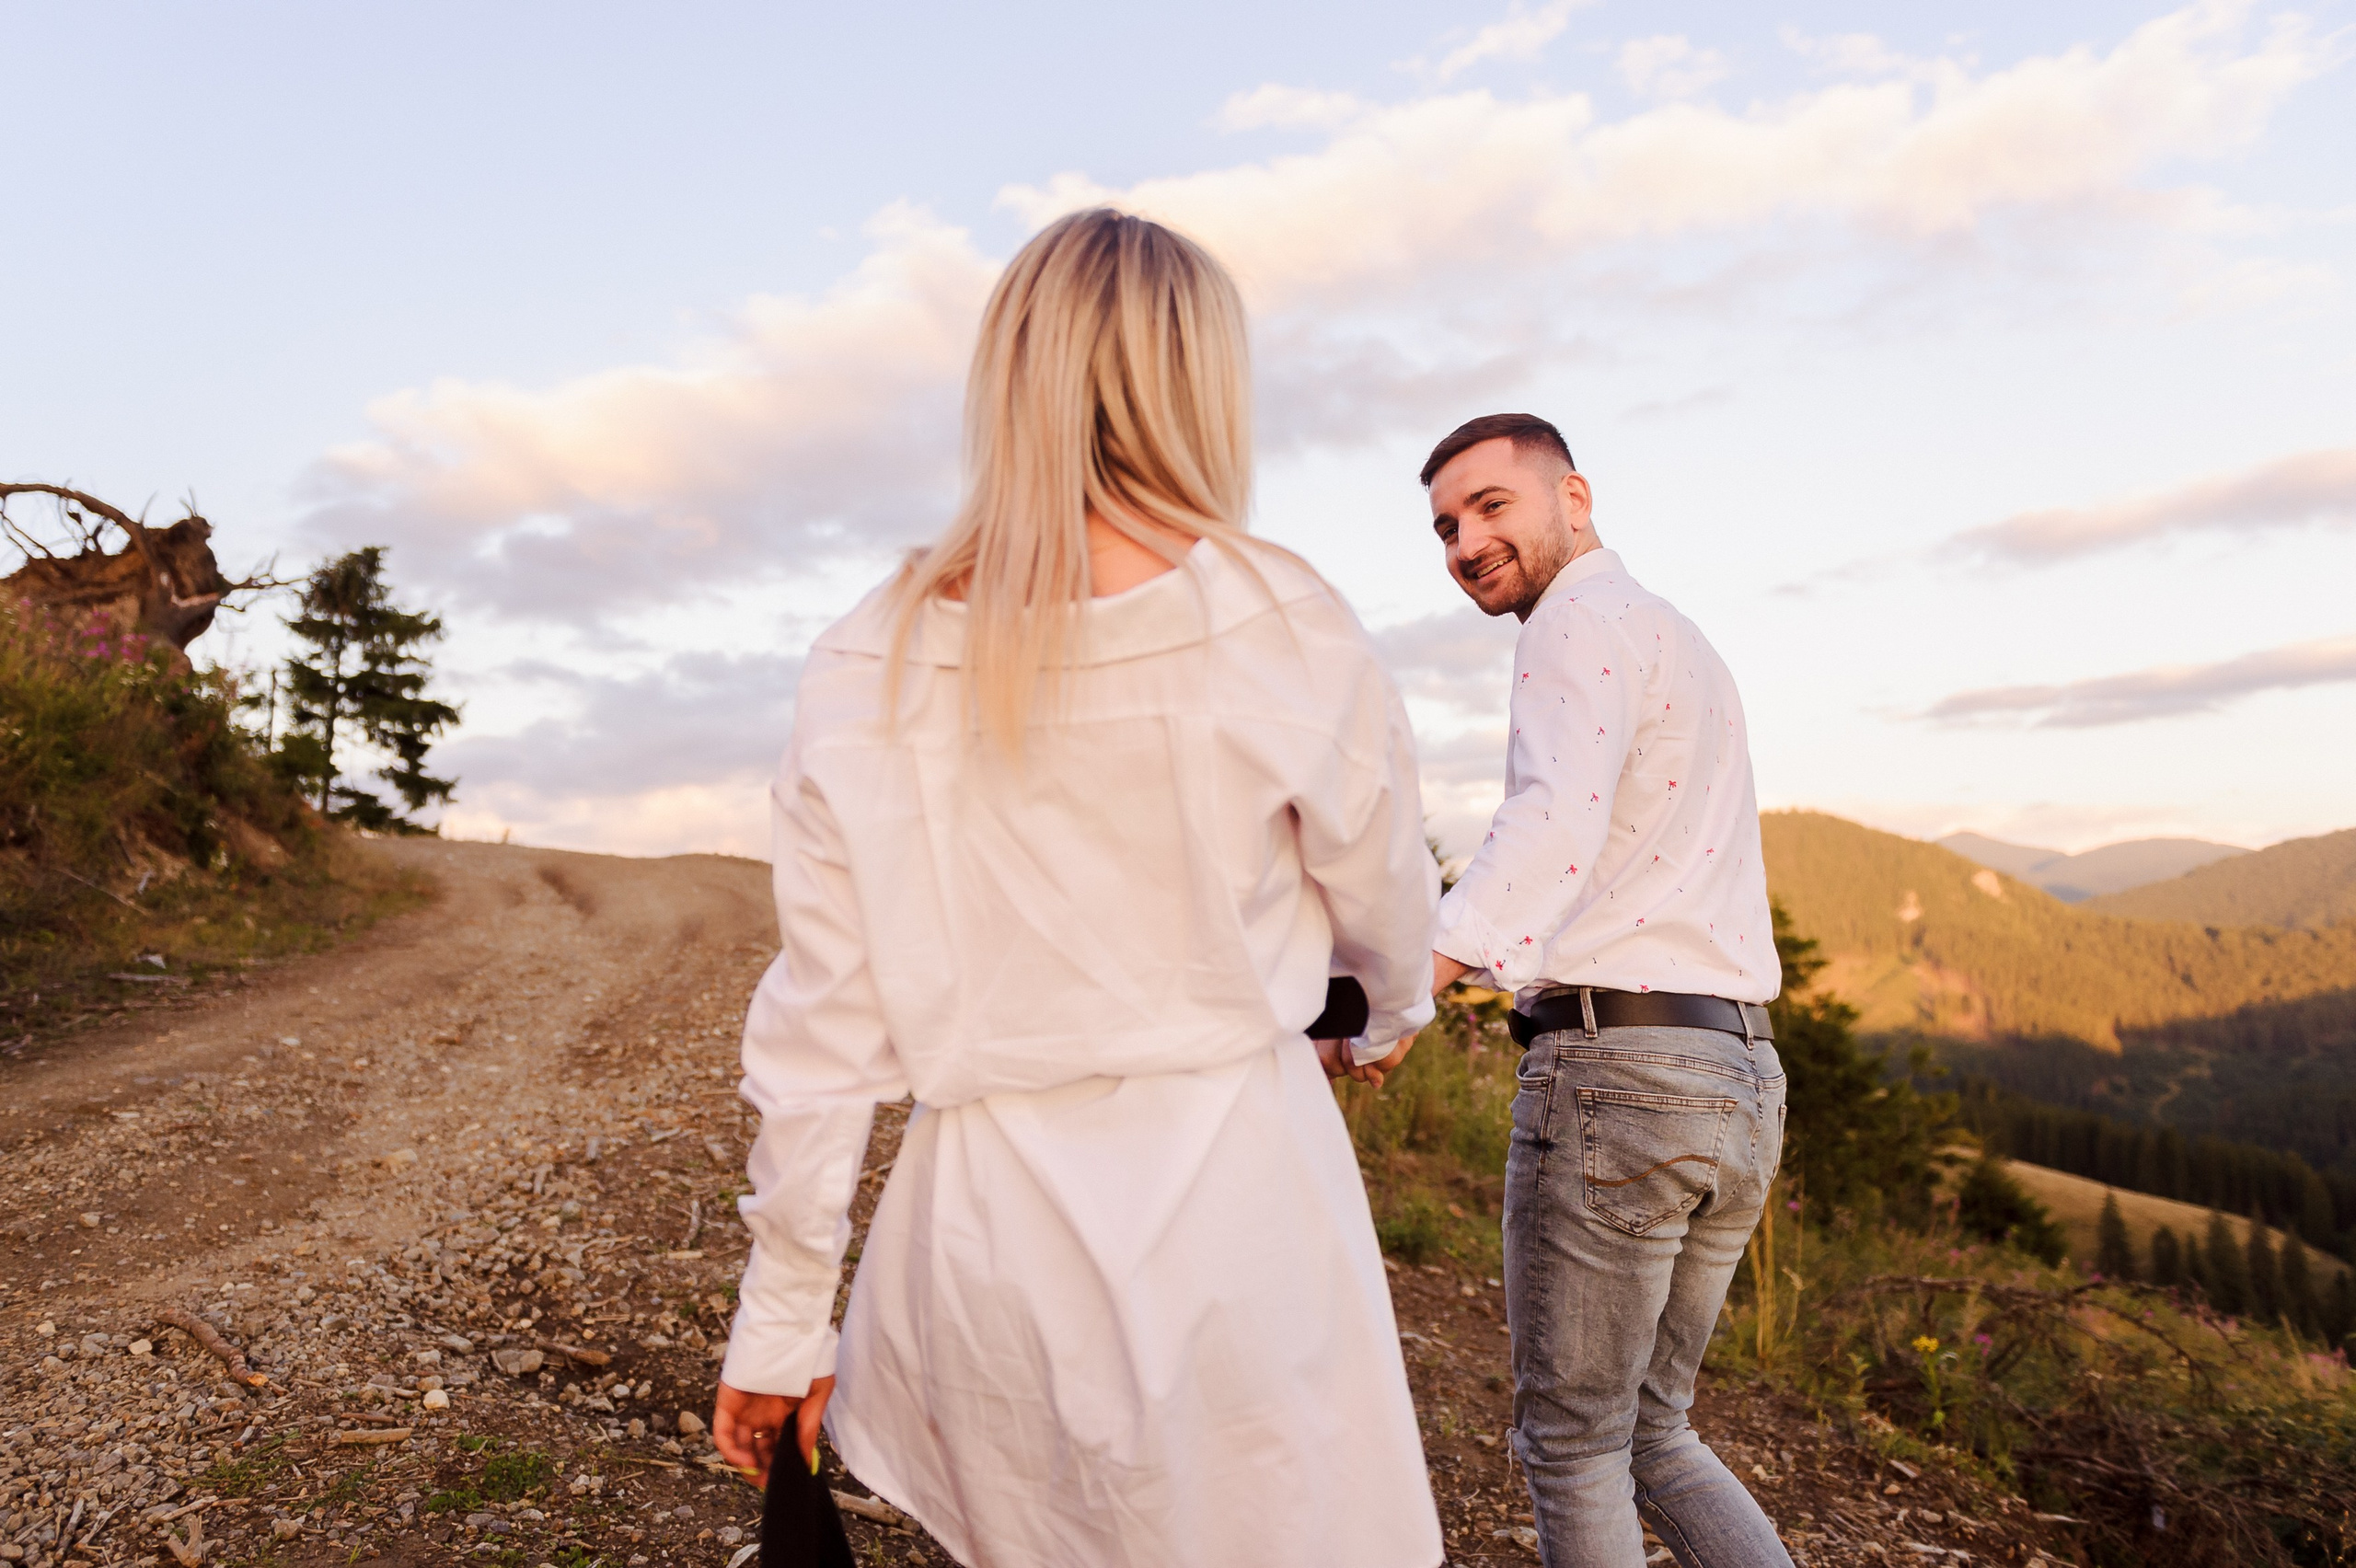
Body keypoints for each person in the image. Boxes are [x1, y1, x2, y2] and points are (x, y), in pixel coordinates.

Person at [710, 208, 1447, 1568]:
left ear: (1007, 377)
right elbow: (1392, 915)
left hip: (990, 1245)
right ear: (1201, 387)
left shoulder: (865, 661)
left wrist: (781, 1326)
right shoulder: (1281, 624)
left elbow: (820, 1045)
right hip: (1240, 1212)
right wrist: (1383, 1016)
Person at [1420, 413, 1792, 1568]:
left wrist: (1413, 981)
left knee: (1575, 1444)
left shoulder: (1572, 621)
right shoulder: (1675, 636)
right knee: (1654, 1433)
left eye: (1490, 506)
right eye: (1442, 526)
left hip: (1618, 1079)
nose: (1465, 541)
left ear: (1571, 498)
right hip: (1738, 1075)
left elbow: (1550, 820)